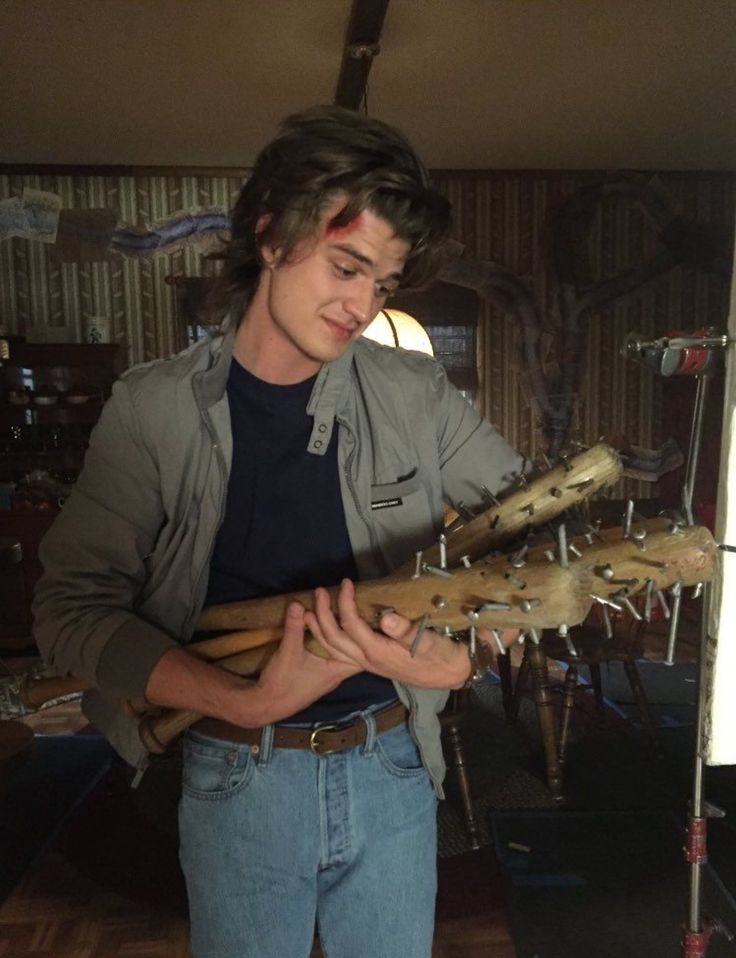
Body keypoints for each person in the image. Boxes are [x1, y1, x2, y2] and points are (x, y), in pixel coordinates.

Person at [33, 106, 525, 958]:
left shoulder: (416, 393)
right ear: (269, 234)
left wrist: (463, 657)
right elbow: (70, 612)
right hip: (235, 776)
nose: (363, 304)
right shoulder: (153, 409)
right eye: (347, 265)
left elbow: (533, 528)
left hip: (393, 768)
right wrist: (248, 699)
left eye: (383, 282)